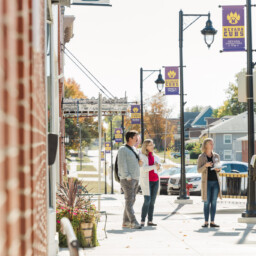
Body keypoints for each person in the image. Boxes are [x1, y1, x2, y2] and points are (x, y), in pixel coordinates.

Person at [118, 130, 143, 229]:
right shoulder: (123, 149)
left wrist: (139, 164)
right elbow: (122, 164)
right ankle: (133, 221)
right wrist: (127, 176)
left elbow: (134, 163)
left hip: (135, 178)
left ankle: (126, 222)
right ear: (130, 138)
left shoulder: (134, 149)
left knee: (131, 200)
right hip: (128, 179)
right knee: (129, 200)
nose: (137, 139)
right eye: (136, 137)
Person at [197, 138, 222, 228]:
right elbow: (199, 170)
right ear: (206, 145)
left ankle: (212, 222)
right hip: (206, 182)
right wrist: (205, 166)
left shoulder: (216, 156)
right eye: (210, 144)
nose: (212, 145)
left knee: (214, 202)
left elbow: (218, 168)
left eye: (212, 144)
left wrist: (218, 169)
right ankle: (206, 222)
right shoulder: (201, 157)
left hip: (215, 182)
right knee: (206, 202)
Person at [139, 139, 161, 227]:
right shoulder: (142, 156)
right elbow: (143, 169)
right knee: (147, 200)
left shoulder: (156, 157)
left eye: (153, 144)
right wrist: (154, 166)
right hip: (146, 181)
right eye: (150, 145)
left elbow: (160, 169)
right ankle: (142, 220)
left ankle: (150, 220)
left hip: (155, 181)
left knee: (152, 202)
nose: (152, 146)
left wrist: (158, 167)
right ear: (146, 147)